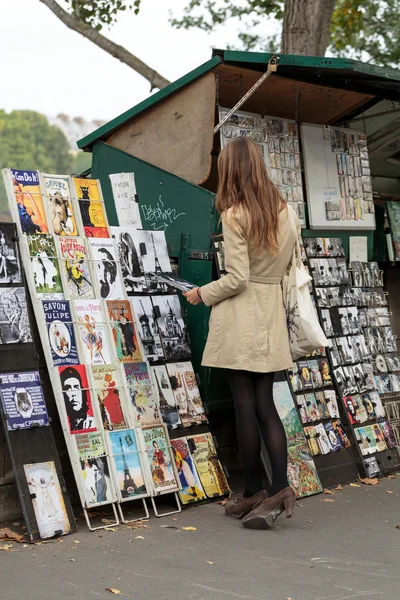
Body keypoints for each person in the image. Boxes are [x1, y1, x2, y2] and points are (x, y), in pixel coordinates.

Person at [184, 137, 298, 530]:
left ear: (231, 170)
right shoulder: (287, 212)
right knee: (265, 401)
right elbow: (286, 270)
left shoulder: (235, 215)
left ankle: (253, 490)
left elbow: (236, 279)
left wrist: (200, 294)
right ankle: (279, 487)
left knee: (244, 405)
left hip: (240, 316)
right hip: (270, 313)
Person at [60, 367, 94, 432]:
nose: (73, 393)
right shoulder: (65, 427)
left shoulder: (92, 423)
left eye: (76, 387)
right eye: (68, 388)